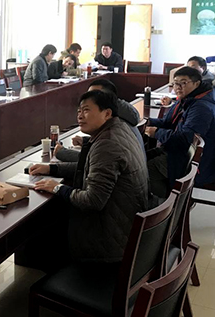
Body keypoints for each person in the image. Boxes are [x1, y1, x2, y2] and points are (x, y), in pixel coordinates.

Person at [30, 90, 149, 262]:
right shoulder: (120, 128)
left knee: (47, 226)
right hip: (127, 227)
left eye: (86, 110)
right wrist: (52, 169)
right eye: (79, 111)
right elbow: (92, 168)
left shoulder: (107, 144)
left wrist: (57, 188)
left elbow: (92, 201)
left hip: (108, 246)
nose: (80, 116)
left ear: (107, 113)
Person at [145, 66, 215, 199]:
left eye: (183, 83)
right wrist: (148, 121)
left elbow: (184, 139)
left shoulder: (201, 107)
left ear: (197, 83)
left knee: (145, 171)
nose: (178, 87)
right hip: (188, 154)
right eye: (175, 83)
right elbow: (168, 122)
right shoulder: (190, 99)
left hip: (200, 163)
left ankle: (172, 204)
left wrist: (157, 133)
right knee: (143, 158)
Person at [54, 78, 144, 162]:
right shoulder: (120, 116)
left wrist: (62, 153)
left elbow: (96, 159)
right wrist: (85, 141)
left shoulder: (116, 127)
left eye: (95, 94)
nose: (89, 98)